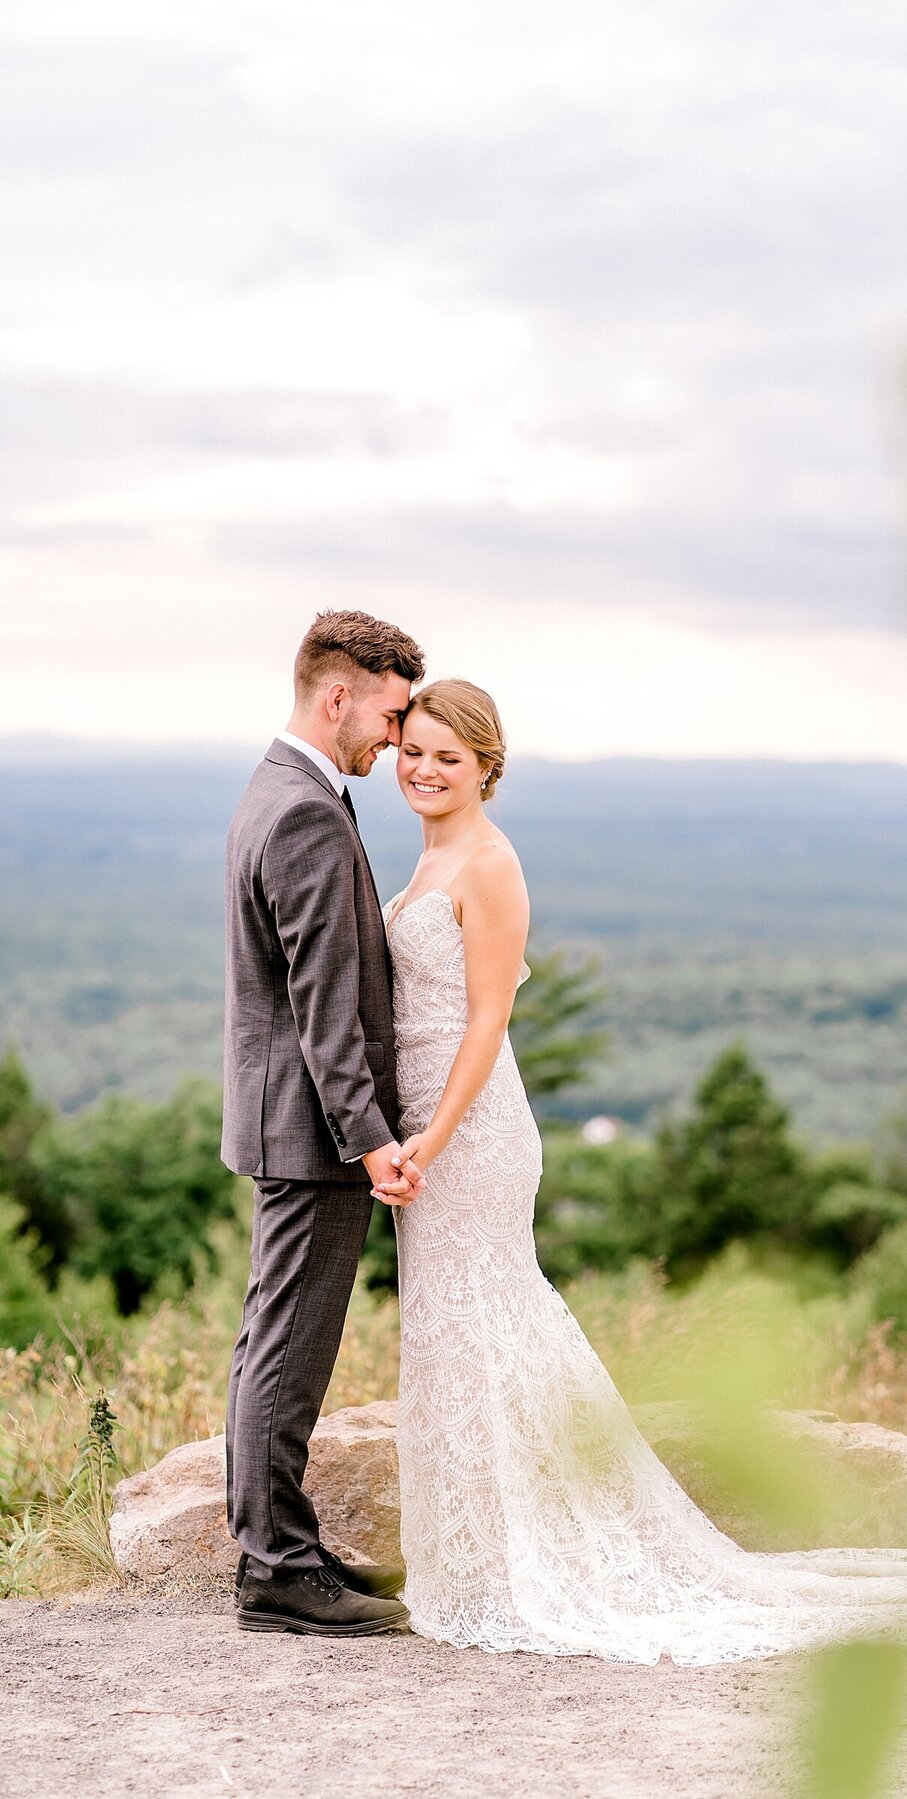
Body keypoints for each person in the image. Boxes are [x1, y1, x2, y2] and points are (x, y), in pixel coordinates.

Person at [381, 678, 907, 1663]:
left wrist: (430, 1140)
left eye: (449, 755)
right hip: (419, 1127)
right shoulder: (431, 848)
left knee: (486, 1325)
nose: (426, 769)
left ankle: (533, 1560)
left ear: (488, 764)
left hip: (467, 1133)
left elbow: (487, 1020)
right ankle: (475, 1561)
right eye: (415, 751)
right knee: (454, 1334)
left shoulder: (489, 861)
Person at [222, 609, 427, 1637]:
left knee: (277, 1336)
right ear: (335, 692)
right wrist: (370, 1134)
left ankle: (286, 1543)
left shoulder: (283, 786)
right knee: (289, 1348)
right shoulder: (304, 810)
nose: (393, 738)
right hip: (312, 1129)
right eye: (390, 714)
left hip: (291, 1122)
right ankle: (276, 1569)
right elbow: (322, 1001)